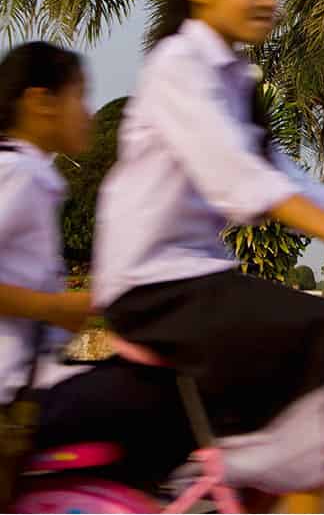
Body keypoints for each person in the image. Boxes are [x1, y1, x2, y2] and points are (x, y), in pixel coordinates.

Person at [90, 0, 324, 512]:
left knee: (318, 400)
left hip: (192, 280)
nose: (269, 1)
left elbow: (291, 181)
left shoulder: (234, 80)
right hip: (154, 285)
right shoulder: (180, 67)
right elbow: (240, 181)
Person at [0, 42, 195, 492]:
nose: (88, 113)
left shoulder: (29, 175)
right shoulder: (19, 175)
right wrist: (55, 307)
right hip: (17, 400)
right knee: (169, 396)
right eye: (78, 97)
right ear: (39, 102)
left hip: (34, 386)